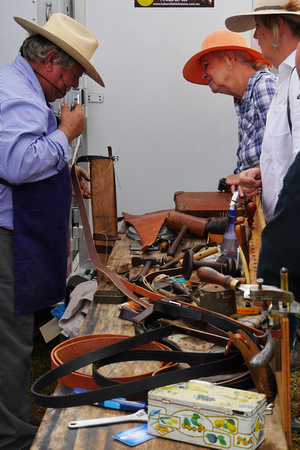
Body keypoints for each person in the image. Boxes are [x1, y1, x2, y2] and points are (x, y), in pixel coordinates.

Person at [0, 13, 104, 449]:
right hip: (9, 238)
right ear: (49, 62)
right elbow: (19, 165)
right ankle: (14, 439)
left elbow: (30, 154)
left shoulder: (21, 88)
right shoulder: (18, 95)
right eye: (72, 77)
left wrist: (63, 170)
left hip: (15, 234)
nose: (69, 89)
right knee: (11, 345)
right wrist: (66, 133)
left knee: (15, 339)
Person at [226, 0, 300, 223]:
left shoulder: (296, 80)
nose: (255, 36)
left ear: (279, 27)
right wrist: (263, 172)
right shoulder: (285, 81)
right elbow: (286, 157)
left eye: (258, 26)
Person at [183, 29, 277, 195]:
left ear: (229, 58)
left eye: (206, 65)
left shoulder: (264, 87)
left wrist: (249, 176)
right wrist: (241, 179)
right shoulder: (243, 98)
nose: (204, 75)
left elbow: (286, 156)